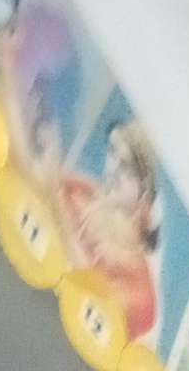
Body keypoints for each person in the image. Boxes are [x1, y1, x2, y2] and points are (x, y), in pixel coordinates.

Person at [57, 119, 161, 341]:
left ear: (145, 195)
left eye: (128, 168)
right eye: (113, 152)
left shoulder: (141, 293)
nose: (114, 170)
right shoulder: (75, 189)